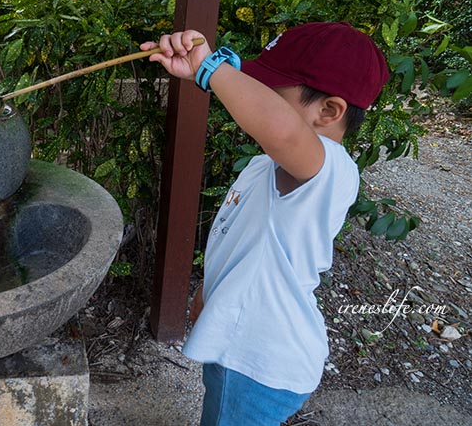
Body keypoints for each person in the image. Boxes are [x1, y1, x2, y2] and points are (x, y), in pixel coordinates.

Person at [140, 22, 390, 426]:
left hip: (259, 362)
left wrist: (211, 70)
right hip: (241, 347)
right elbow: (241, 240)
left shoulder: (330, 171)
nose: (253, 96)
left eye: (271, 91)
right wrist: (208, 294)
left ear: (329, 111)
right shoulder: (266, 166)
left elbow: (284, 131)